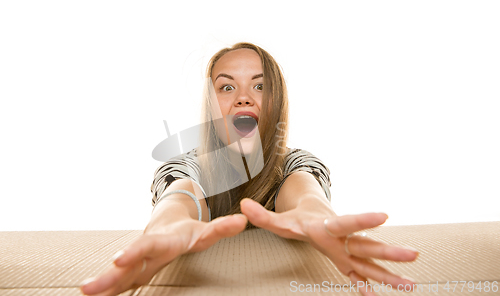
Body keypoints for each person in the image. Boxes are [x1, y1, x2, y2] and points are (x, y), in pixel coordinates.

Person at [80, 42, 419, 296]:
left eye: (259, 86)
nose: (243, 98)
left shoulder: (297, 162)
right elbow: (179, 194)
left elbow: (305, 191)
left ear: (277, 100)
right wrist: (167, 227)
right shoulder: (187, 164)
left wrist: (316, 215)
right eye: (227, 87)